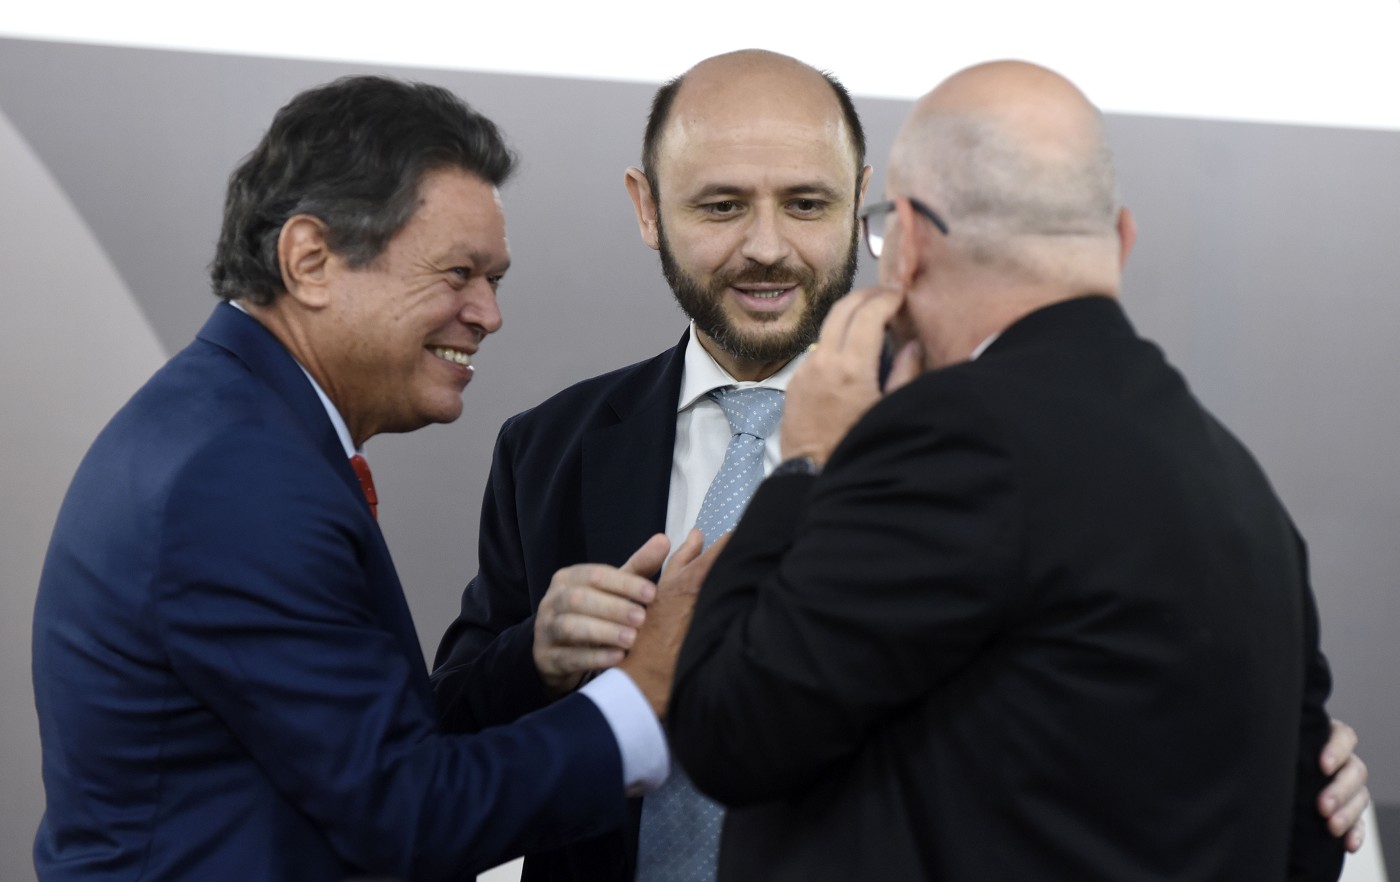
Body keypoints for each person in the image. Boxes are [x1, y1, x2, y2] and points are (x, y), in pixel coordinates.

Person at [431, 51, 1370, 882]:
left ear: (875, 212)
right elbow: (441, 749)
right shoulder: (550, 447)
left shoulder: (956, 439)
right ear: (648, 207)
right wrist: (537, 659)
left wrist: (1269, 755)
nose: (767, 246)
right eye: (722, 205)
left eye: (808, 204)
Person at [30, 75, 686, 882]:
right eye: (458, 273)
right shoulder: (237, 477)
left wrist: (535, 664)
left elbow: (355, 743)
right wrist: (641, 693)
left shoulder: (230, 426)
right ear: (310, 261)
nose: (489, 314)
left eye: (495, 280)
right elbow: (405, 813)